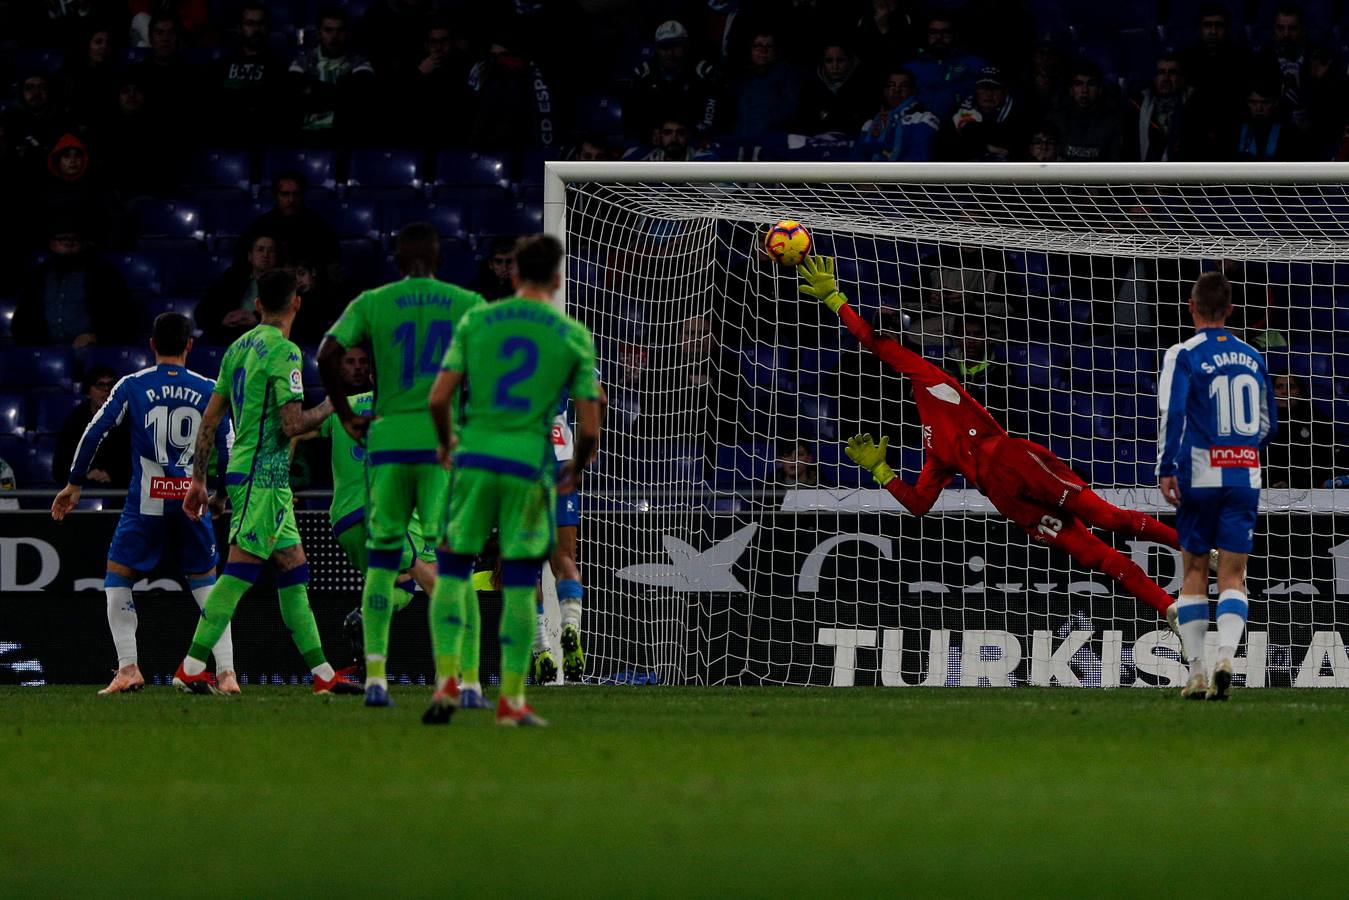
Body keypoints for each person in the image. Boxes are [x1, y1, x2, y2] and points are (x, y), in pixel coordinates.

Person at [797, 255, 1188, 622]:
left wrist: (836, 299)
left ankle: (1191, 546)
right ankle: (1168, 608)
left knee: (1109, 518)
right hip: (1005, 497)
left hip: (1014, 459)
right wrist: (881, 471)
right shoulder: (933, 448)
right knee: (1091, 554)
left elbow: (874, 343)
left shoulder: (932, 379)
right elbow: (919, 505)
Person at [428, 233, 602, 727]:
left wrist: (446, 444)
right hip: (532, 466)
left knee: (456, 572)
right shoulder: (570, 334)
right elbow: (589, 426)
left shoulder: (476, 321)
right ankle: (511, 699)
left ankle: (450, 683)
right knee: (525, 577)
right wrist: (575, 466)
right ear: (558, 279)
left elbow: (439, 398)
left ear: (512, 274)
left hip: (476, 463)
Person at [318, 223, 486, 709]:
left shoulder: (374, 301)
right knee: (448, 563)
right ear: (438, 258)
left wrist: (347, 414)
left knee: (385, 563)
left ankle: (374, 679)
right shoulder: (465, 301)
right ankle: (465, 680)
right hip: (439, 444)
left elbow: (327, 354)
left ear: (396, 260)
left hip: (387, 444)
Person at [172, 270, 356, 696]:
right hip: (261, 477)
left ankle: (323, 675)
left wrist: (201, 481)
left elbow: (211, 419)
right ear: (296, 304)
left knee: (294, 570)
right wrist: (333, 403)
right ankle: (190, 667)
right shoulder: (285, 352)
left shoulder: (237, 348)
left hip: (255, 475)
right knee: (239, 571)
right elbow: (293, 424)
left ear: (257, 304)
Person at [50, 313, 234, 695]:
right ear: (189, 345)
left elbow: (95, 430)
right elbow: (228, 445)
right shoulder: (209, 389)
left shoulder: (133, 385)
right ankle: (227, 673)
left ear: (152, 345)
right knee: (207, 586)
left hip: (146, 501)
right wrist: (220, 493)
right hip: (191, 499)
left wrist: (75, 483)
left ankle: (129, 667)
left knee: (118, 578)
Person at [1157, 271, 1275, 700]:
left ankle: (1197, 673)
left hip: (1200, 473)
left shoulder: (1183, 353)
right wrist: (1238, 449)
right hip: (1244, 473)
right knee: (1233, 575)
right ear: (1229, 310)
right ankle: (1228, 653)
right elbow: (1267, 423)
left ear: (1191, 308)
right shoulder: (1252, 355)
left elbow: (1172, 413)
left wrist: (1166, 466)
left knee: (1193, 571)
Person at [313, 346, 444, 686]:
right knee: (431, 581)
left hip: (343, 521)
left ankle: (365, 662)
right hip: (383, 516)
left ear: (372, 375)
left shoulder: (341, 410)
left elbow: (296, 431)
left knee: (398, 583)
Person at [531, 372, 606, 685]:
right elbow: (598, 396)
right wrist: (590, 442)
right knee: (565, 559)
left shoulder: (497, 336)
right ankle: (571, 626)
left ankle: (541, 650)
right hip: (560, 452)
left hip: (518, 455)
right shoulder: (567, 339)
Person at [240, 171, 342, 290]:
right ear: (276, 196)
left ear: (302, 196)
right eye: (285, 194)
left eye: (296, 194)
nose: (291, 200)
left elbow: (332, 263)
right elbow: (244, 263)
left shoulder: (319, 227)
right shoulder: (260, 227)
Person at [624, 20, 721, 140]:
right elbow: (632, 114)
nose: (669, 53)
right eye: (664, 47)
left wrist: (699, 131)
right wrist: (648, 133)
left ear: (686, 46)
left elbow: (713, 109)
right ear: (656, 48)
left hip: (694, 139)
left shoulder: (703, 72)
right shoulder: (643, 74)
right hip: (654, 141)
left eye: (675, 46)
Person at [288, 6, 376, 136]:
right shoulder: (303, 61)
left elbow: (360, 97)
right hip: (307, 133)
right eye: (328, 30)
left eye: (339, 31)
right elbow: (291, 93)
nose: (334, 37)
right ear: (319, 33)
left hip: (346, 133)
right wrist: (341, 92)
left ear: (346, 33)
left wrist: (312, 90)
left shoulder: (360, 62)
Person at [209, 1, 287, 143]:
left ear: (268, 28)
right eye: (250, 23)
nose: (256, 29)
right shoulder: (222, 65)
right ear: (240, 28)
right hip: (228, 138)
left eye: (261, 23)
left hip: (267, 139)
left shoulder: (281, 66)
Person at [52, 364, 131, 488]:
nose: (106, 390)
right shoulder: (74, 421)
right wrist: (85, 475)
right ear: (88, 392)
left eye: (110, 385)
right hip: (81, 489)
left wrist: (113, 475)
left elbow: (134, 461)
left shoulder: (127, 420)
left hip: (119, 487)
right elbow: (60, 467)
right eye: (100, 385)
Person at [196, 233, 277, 345]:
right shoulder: (233, 277)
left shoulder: (284, 283)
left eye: (271, 251)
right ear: (250, 256)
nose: (266, 255)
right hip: (229, 334)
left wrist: (257, 319)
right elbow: (202, 312)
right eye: (260, 249)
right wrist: (222, 319)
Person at [903, 13, 986, 120]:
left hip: (963, 127)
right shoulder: (911, 68)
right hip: (917, 128)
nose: (939, 37)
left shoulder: (975, 64)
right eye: (933, 32)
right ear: (927, 35)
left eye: (946, 32)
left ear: (955, 35)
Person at [1263, 374, 1335, 489]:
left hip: (1306, 488)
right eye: (1279, 387)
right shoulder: (1261, 419)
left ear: (1300, 392)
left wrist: (1293, 483)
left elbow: (1322, 460)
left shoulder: (1316, 419)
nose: (1284, 391)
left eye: (1291, 387)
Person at [855, 68, 939, 161]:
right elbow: (856, 159)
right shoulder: (870, 124)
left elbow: (919, 157)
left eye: (903, 86)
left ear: (913, 91)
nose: (896, 90)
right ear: (885, 91)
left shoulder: (924, 119)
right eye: (891, 85)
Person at [1123, 55, 1194, 162]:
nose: (1166, 78)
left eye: (1172, 72)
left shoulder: (1194, 104)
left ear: (1181, 78)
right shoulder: (1137, 106)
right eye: (1161, 72)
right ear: (1154, 78)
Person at [1049, 60, 1121, 161]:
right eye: (1078, 84)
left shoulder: (1112, 122)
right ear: (1071, 89)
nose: (1084, 90)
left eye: (1091, 84)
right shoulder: (1056, 120)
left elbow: (1116, 164)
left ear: (1099, 89)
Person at [948, 66, 1024, 162]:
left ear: (1004, 92)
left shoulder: (1018, 110)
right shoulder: (964, 107)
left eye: (995, 89)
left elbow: (1014, 143)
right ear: (976, 91)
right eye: (984, 88)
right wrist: (987, 146)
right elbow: (961, 141)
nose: (989, 94)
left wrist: (978, 138)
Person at [795, 41, 872, 136]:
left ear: (849, 61)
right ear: (822, 62)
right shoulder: (811, 87)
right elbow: (803, 123)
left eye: (840, 60)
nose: (835, 66)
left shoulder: (862, 87)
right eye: (829, 61)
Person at [733, 30, 799, 136]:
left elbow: (789, 108)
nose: (763, 51)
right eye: (758, 46)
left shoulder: (785, 72)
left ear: (775, 51)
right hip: (740, 139)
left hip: (771, 140)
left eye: (769, 46)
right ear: (750, 50)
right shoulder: (740, 76)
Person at [469, 236, 516, 301]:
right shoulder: (477, 286)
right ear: (490, 264)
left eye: (509, 261)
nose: (504, 268)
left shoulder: (524, 287)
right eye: (498, 262)